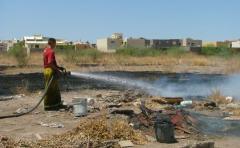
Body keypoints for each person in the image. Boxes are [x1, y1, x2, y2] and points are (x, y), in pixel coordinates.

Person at [43, 38, 65, 111]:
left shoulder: (45, 50)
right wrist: (57, 70)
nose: (55, 45)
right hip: (50, 71)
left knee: (55, 88)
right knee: (50, 89)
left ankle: (56, 104)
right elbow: (49, 63)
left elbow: (50, 63)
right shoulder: (51, 51)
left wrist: (59, 67)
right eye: (55, 43)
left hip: (46, 70)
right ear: (52, 43)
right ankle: (48, 106)